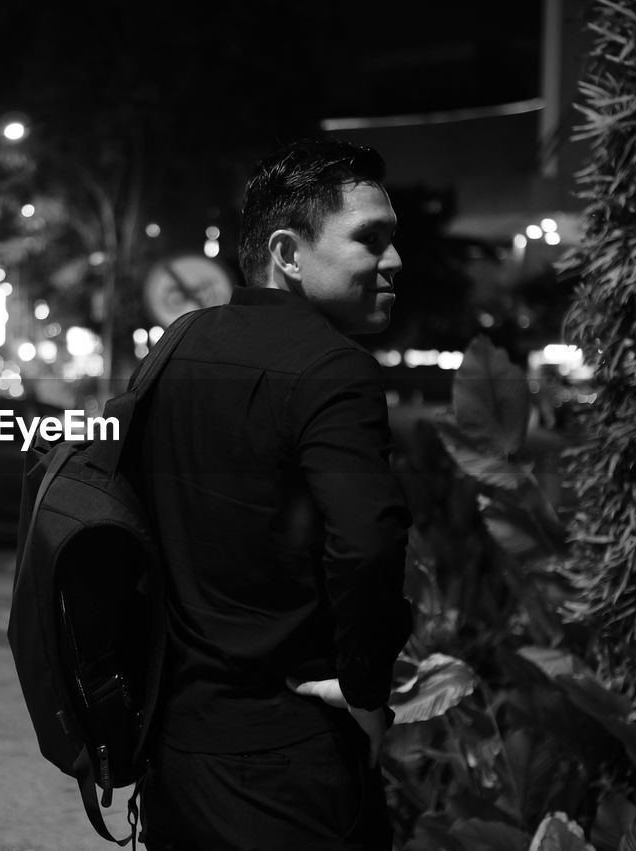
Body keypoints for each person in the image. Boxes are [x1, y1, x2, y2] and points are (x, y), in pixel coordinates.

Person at [137, 137, 414, 850]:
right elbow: (369, 541)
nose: (394, 262)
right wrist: (366, 690)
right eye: (371, 240)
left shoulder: (173, 351)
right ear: (288, 254)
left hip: (174, 752)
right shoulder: (333, 371)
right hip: (290, 762)